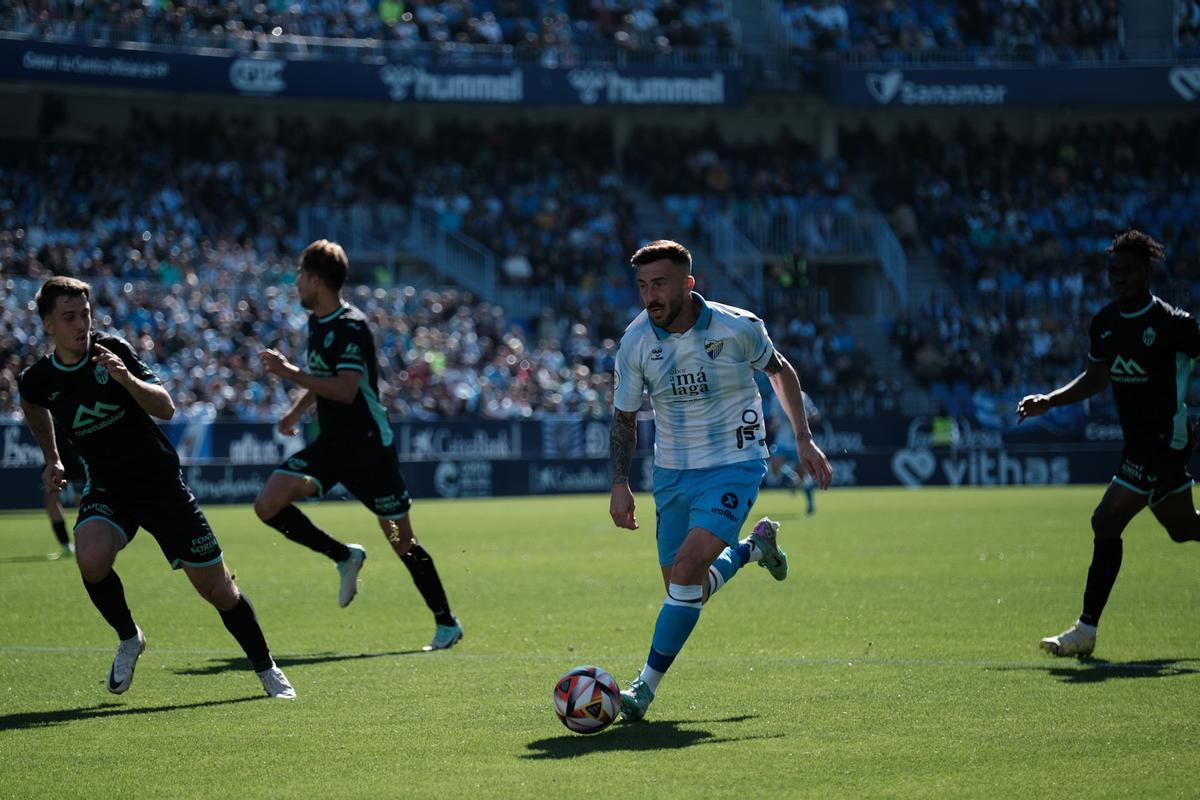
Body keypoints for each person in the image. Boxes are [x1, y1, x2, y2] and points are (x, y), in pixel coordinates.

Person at [17, 277, 294, 698]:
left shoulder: (111, 351)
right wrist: (52, 457)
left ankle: (266, 668)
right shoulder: (38, 378)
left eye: (85, 315)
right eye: (69, 317)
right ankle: (130, 637)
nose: (81, 325)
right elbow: (31, 402)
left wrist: (126, 379)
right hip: (108, 489)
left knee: (218, 590)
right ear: (47, 325)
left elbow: (166, 407)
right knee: (90, 557)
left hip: (160, 485)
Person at [608, 240, 833, 720]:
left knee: (686, 575)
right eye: (644, 286)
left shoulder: (739, 327)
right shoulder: (634, 342)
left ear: (689, 284)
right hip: (671, 474)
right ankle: (754, 548)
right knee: (685, 590)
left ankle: (642, 689)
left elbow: (780, 372)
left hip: (736, 462)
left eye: (661, 283)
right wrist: (619, 483)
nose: (651, 295)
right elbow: (623, 418)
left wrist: (803, 437)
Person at [253, 240, 462, 651]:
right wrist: (297, 412)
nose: (295, 283)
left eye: (299, 276)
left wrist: (288, 372)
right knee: (268, 503)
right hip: (332, 445)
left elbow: (347, 390)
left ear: (315, 280)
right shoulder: (318, 322)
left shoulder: (352, 326)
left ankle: (446, 623)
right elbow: (321, 378)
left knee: (403, 541)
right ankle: (343, 556)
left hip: (369, 450)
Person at [1017, 230, 1200, 657]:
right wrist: (1050, 400)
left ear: (1146, 271)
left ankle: (1085, 630)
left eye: (1127, 271)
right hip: (1137, 443)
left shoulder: (1175, 325)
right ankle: (1086, 630)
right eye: (1112, 272)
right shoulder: (1106, 325)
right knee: (1183, 528)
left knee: (1105, 520)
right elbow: (1096, 378)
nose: (1118, 279)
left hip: (1165, 441)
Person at [766, 388, 822, 514]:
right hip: (782, 441)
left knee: (803, 476)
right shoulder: (775, 398)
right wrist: (774, 424)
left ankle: (810, 504)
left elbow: (816, 415)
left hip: (798, 442)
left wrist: (800, 418)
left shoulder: (802, 396)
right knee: (775, 466)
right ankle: (793, 478)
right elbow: (774, 417)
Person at [42, 419, 83, 559]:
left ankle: (85, 543)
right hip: (54, 460)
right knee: (50, 501)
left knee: (83, 504)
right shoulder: (43, 409)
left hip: (75, 459)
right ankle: (66, 546)